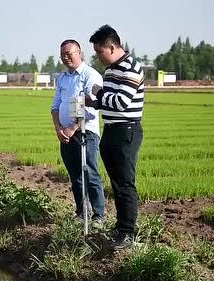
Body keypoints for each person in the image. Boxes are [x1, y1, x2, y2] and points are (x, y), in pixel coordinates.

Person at [86, 25, 144, 250]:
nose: (98, 57)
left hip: (126, 131)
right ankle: (121, 228)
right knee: (116, 184)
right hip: (110, 129)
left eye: (99, 52)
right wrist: (96, 100)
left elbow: (120, 102)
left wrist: (99, 96)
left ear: (112, 47)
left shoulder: (131, 68)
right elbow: (109, 100)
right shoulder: (110, 71)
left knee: (125, 183)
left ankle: (127, 234)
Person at [50, 39, 106, 225]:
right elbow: (56, 105)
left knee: (90, 173)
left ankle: (99, 216)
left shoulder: (91, 75)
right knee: (75, 175)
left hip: (85, 133)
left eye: (69, 54)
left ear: (79, 52)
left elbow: (92, 108)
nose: (66, 58)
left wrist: (73, 127)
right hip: (66, 134)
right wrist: (59, 128)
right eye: (62, 55)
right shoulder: (63, 78)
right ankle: (82, 212)